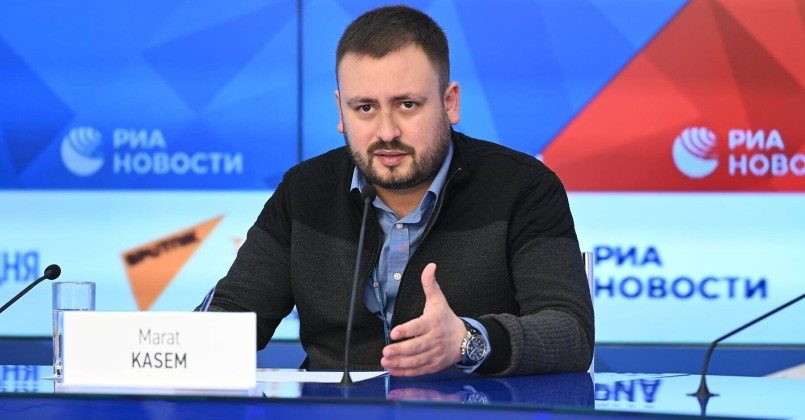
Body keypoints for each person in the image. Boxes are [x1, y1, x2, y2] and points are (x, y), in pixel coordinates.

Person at [203, 5, 593, 377]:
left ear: (450, 103)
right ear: (341, 112)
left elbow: (570, 331)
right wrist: (181, 346)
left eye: (407, 105)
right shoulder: (304, 191)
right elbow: (232, 314)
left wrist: (466, 341)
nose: (387, 132)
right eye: (365, 108)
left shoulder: (523, 187)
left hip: (471, 408)